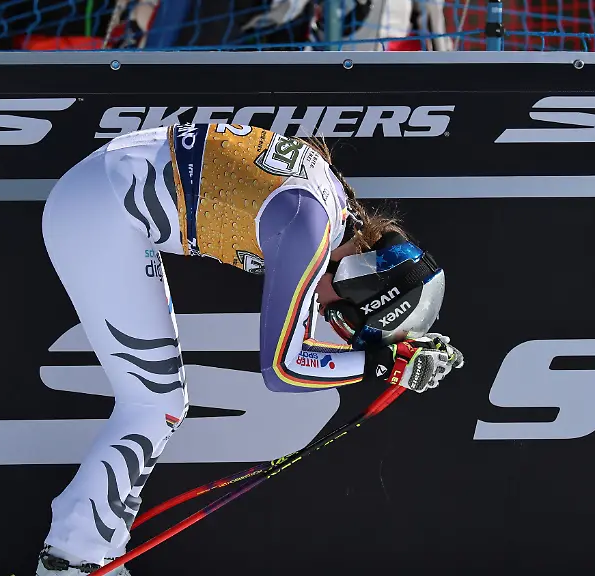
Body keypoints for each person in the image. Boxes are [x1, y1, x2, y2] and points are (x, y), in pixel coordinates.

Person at [37, 123, 465, 575]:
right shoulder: (309, 227)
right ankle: (71, 559)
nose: (328, 317)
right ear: (362, 283)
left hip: (104, 198)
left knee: (158, 403)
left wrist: (387, 356)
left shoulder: (330, 213)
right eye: (346, 319)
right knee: (152, 403)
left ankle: (92, 552)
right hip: (101, 211)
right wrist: (378, 365)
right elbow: (283, 369)